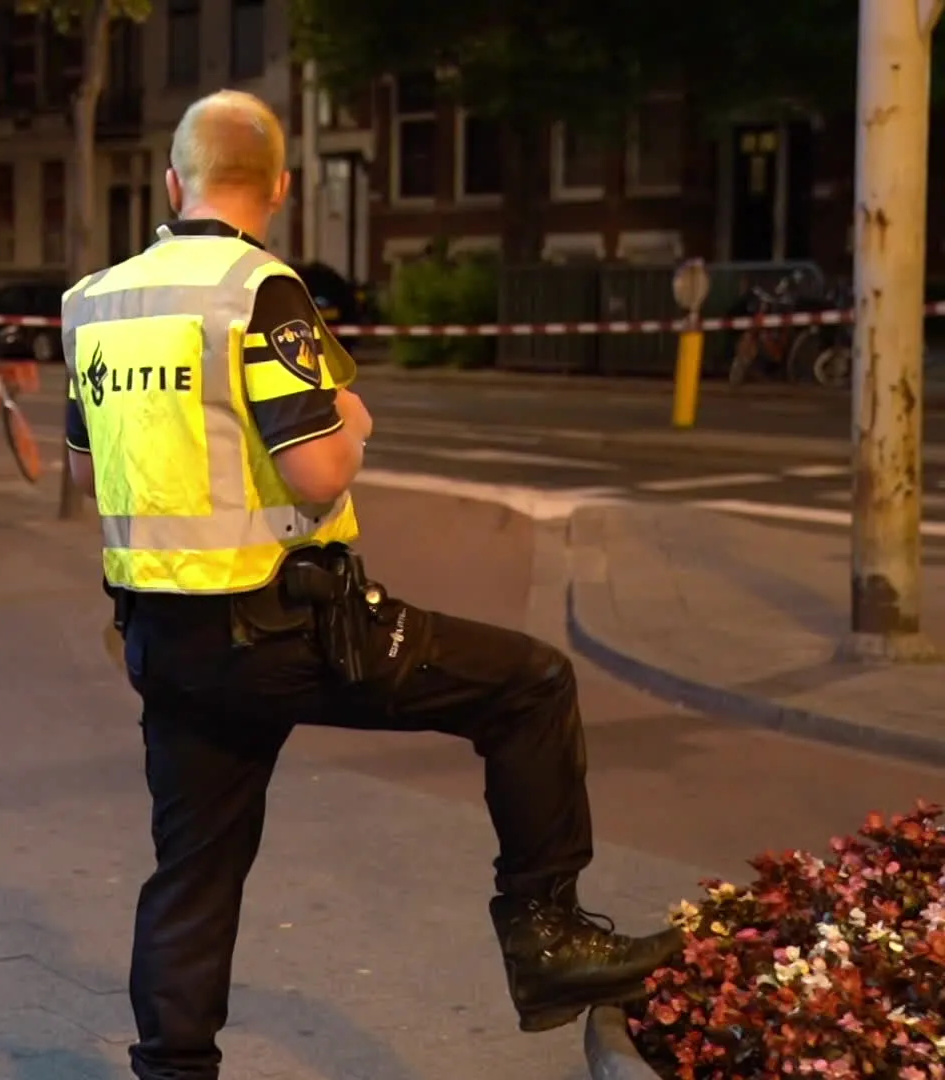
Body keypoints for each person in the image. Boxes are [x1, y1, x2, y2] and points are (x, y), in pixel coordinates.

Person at [60, 92, 682, 1080]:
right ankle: (548, 940)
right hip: (285, 631)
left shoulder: (94, 301)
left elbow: (94, 476)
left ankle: (172, 1071)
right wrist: (355, 419)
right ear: (280, 187)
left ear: (173, 183)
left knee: (195, 865)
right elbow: (318, 468)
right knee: (528, 684)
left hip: (164, 648)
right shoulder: (260, 289)